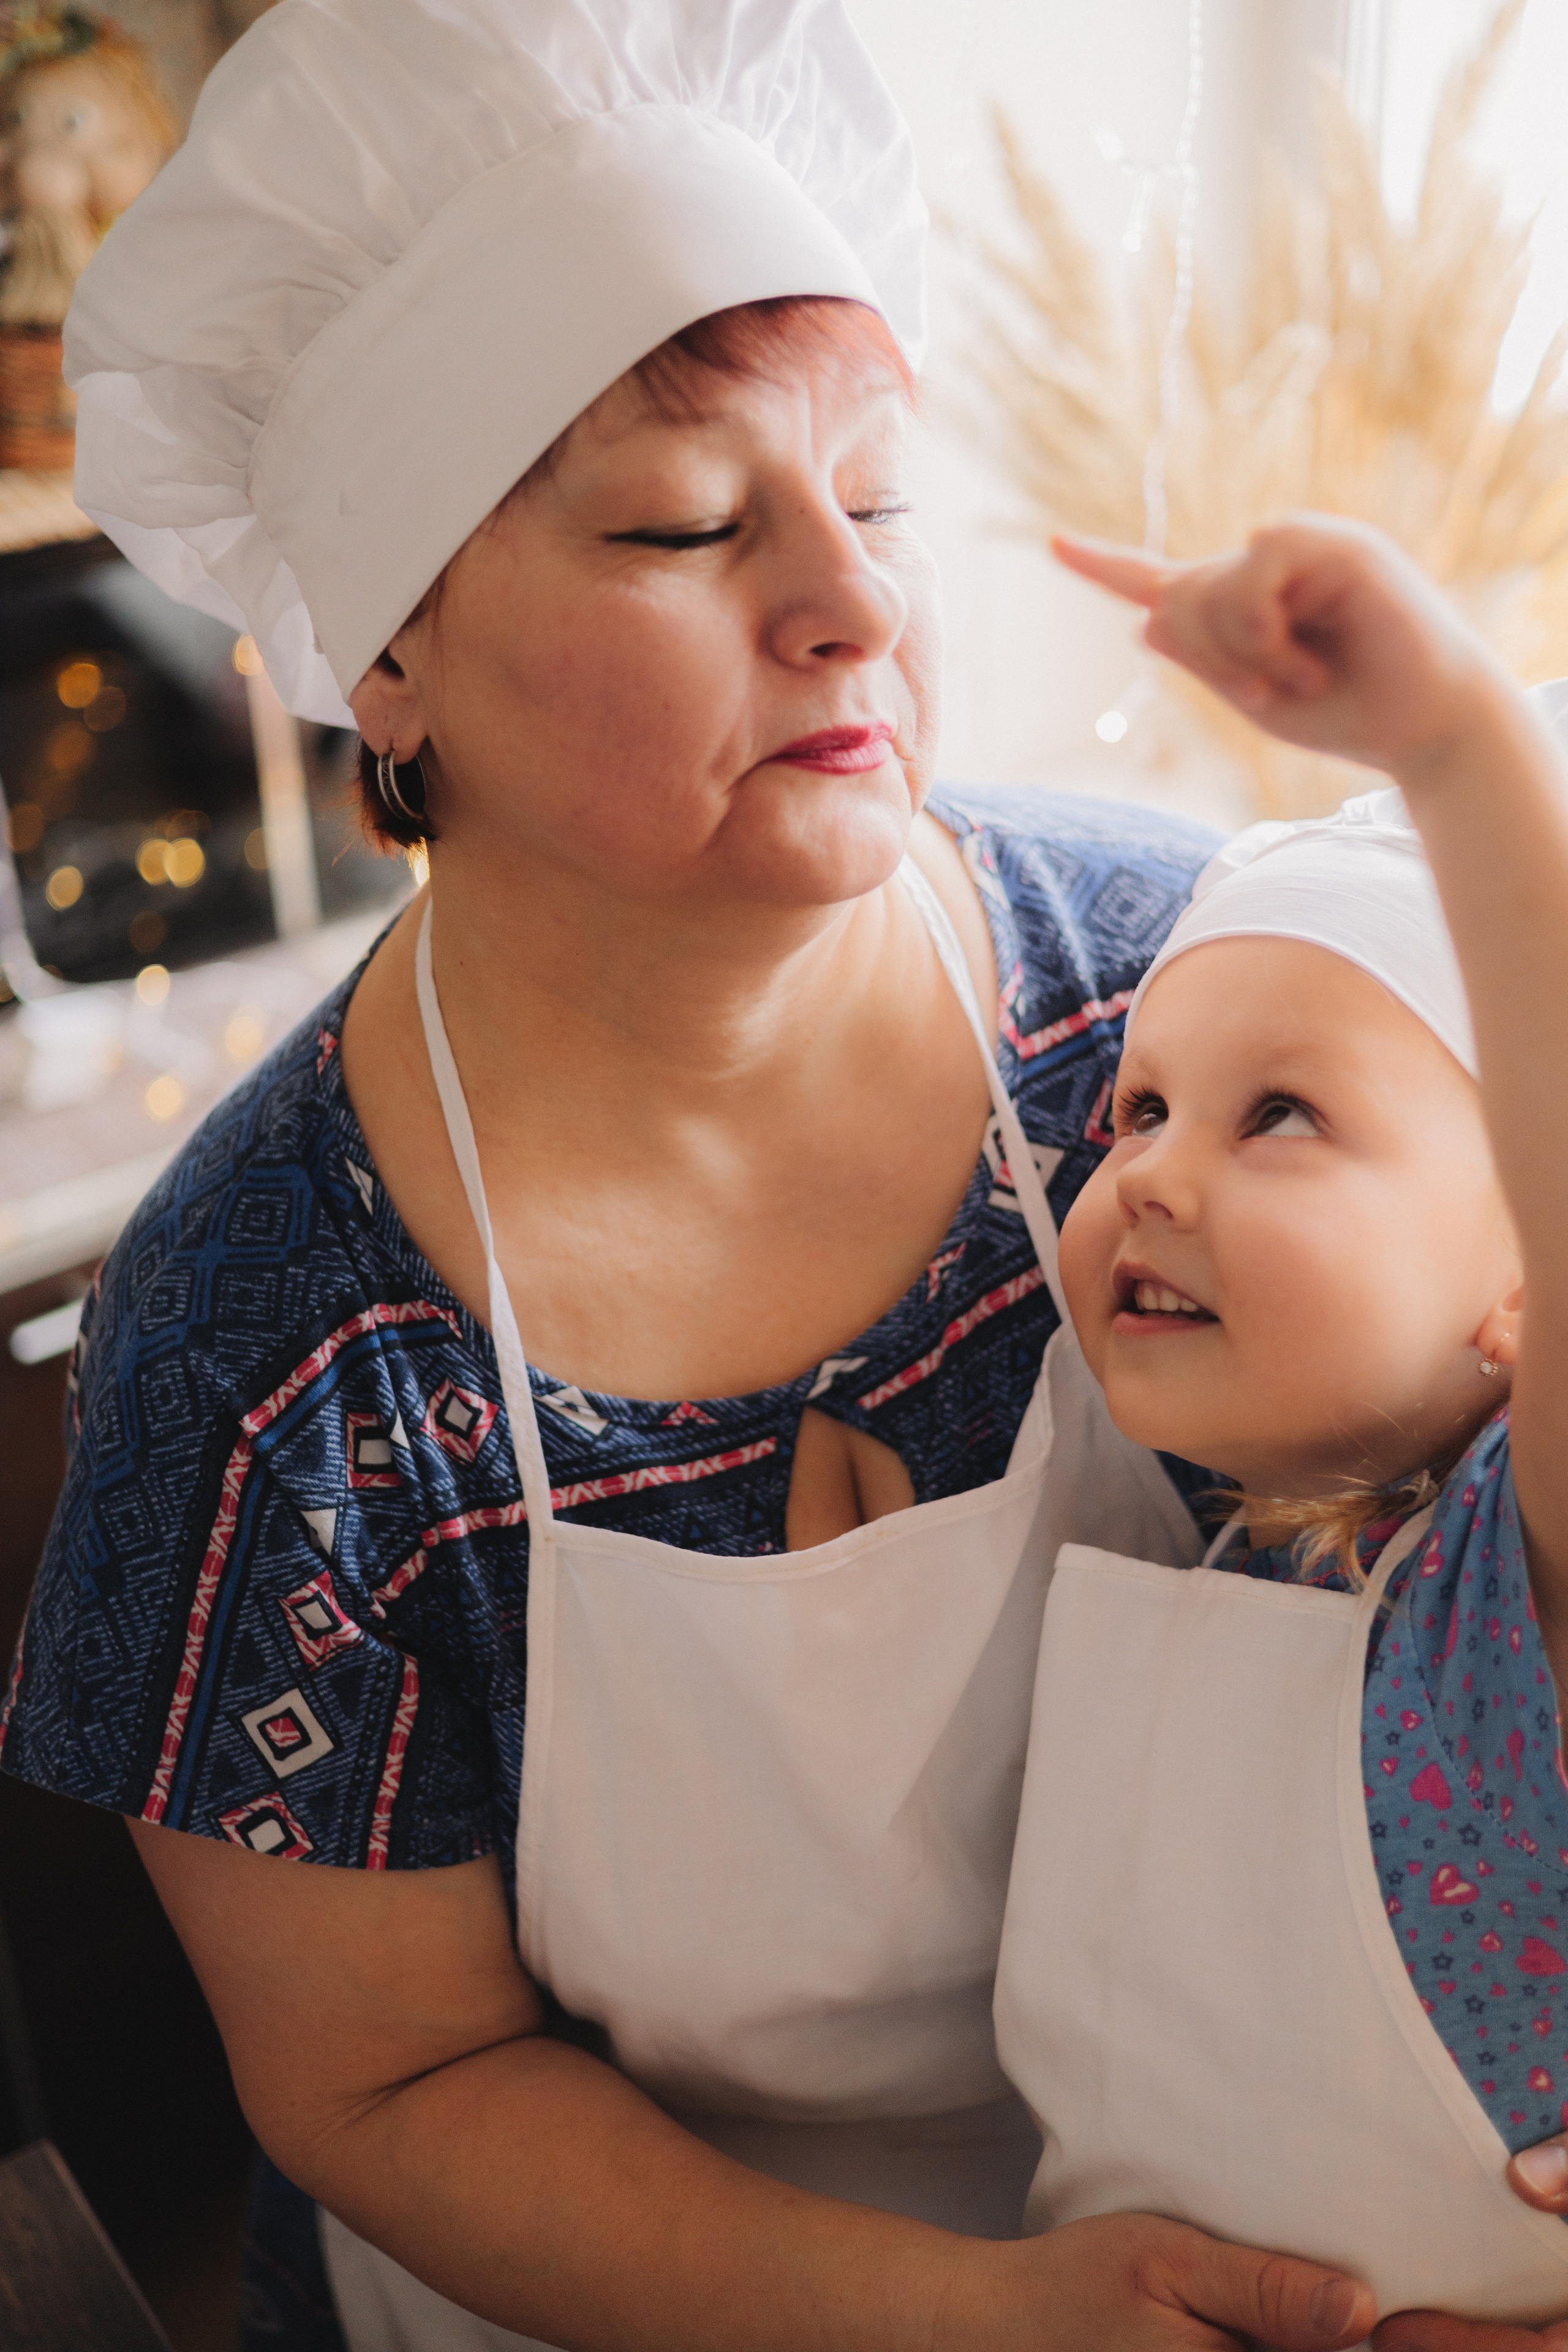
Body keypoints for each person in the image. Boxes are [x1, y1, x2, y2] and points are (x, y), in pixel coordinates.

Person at [0, 2, 1392, 2348]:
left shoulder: (1177, 1009)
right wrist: (979, 2321)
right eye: (683, 523)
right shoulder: (271, 1335)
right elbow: (396, 2078)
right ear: (395, 653)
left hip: (1257, 2207)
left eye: (880, 499)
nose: (847, 598)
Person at [992, 516, 1568, 2339]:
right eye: (1141, 1105)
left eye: (1285, 1117)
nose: (1150, 1174)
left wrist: (1457, 747)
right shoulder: (1233, 1552)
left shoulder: (1523, 1585)